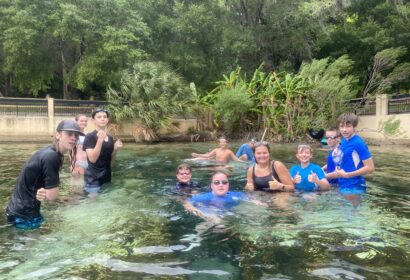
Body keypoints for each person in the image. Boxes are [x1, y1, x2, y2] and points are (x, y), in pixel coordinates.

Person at [5, 120, 84, 229]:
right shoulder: (52, 157)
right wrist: (66, 200)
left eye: (76, 135)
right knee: (33, 244)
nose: (74, 138)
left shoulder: (49, 151)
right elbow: (51, 197)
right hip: (25, 215)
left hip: (17, 209)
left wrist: (47, 194)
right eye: (69, 134)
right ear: (58, 135)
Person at [184, 172, 262, 223]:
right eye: (217, 182)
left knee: (257, 214)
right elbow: (187, 202)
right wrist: (201, 214)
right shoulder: (204, 197)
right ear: (212, 186)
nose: (221, 185)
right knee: (217, 222)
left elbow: (250, 199)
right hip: (210, 212)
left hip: (230, 213)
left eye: (224, 182)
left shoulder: (236, 195)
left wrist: (258, 203)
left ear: (228, 185)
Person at [83, 108, 123, 193]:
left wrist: (115, 150)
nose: (102, 118)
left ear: (107, 120)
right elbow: (92, 159)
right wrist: (100, 140)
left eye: (105, 117)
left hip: (106, 176)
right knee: (93, 203)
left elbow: (110, 159)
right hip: (93, 177)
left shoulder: (110, 138)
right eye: (99, 117)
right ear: (93, 120)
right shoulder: (89, 137)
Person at [334, 113, 374, 193]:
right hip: (343, 184)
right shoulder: (344, 140)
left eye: (348, 126)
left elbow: (370, 168)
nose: (344, 130)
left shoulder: (358, 143)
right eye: (342, 126)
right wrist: (336, 150)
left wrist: (347, 175)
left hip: (355, 187)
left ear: (354, 127)